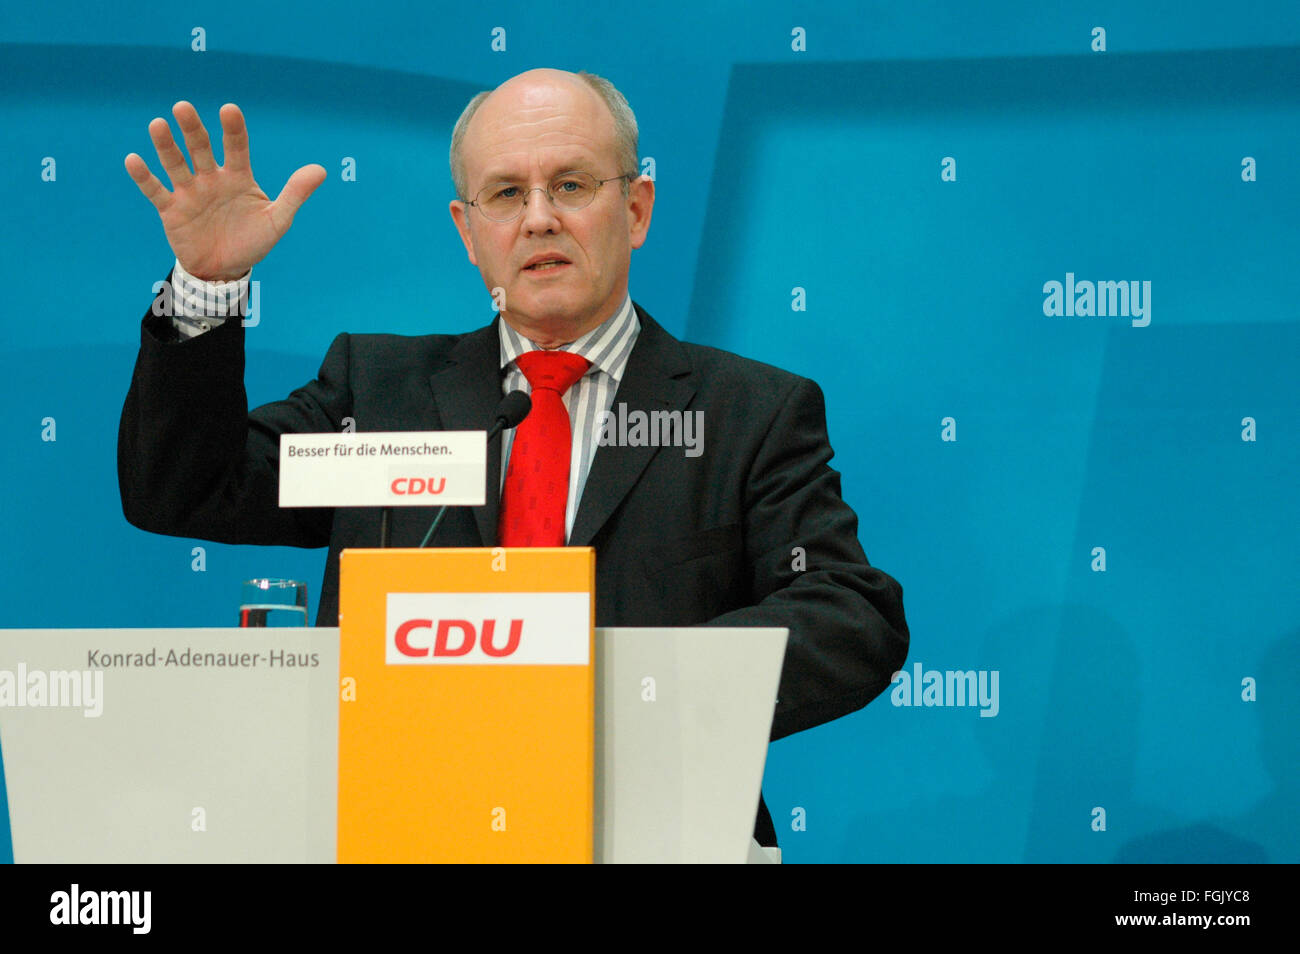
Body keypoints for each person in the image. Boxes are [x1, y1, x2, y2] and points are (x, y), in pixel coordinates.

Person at [118, 68, 909, 848]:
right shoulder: (379, 389)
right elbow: (188, 489)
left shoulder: (747, 413)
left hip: (656, 829)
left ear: (635, 209)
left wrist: (627, 686)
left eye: (571, 185)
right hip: (401, 828)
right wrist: (207, 286)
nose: (538, 219)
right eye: (505, 194)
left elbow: (850, 614)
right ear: (467, 232)